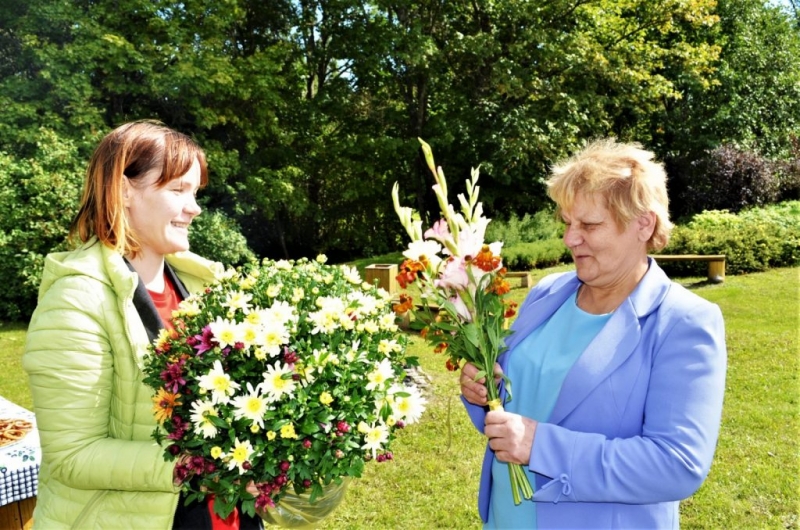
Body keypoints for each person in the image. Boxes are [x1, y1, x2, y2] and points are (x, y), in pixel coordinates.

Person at [460, 138, 727, 529]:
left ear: (644, 224)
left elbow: (678, 463)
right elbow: (516, 405)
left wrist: (541, 447)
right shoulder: (547, 294)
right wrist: (482, 393)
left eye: (589, 224)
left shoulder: (684, 322)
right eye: (568, 223)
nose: (570, 238)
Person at [23, 121, 262, 529]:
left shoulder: (203, 286)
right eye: (177, 190)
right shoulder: (76, 301)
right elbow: (74, 456)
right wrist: (202, 465)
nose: (195, 207)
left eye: (195, 191)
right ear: (124, 190)